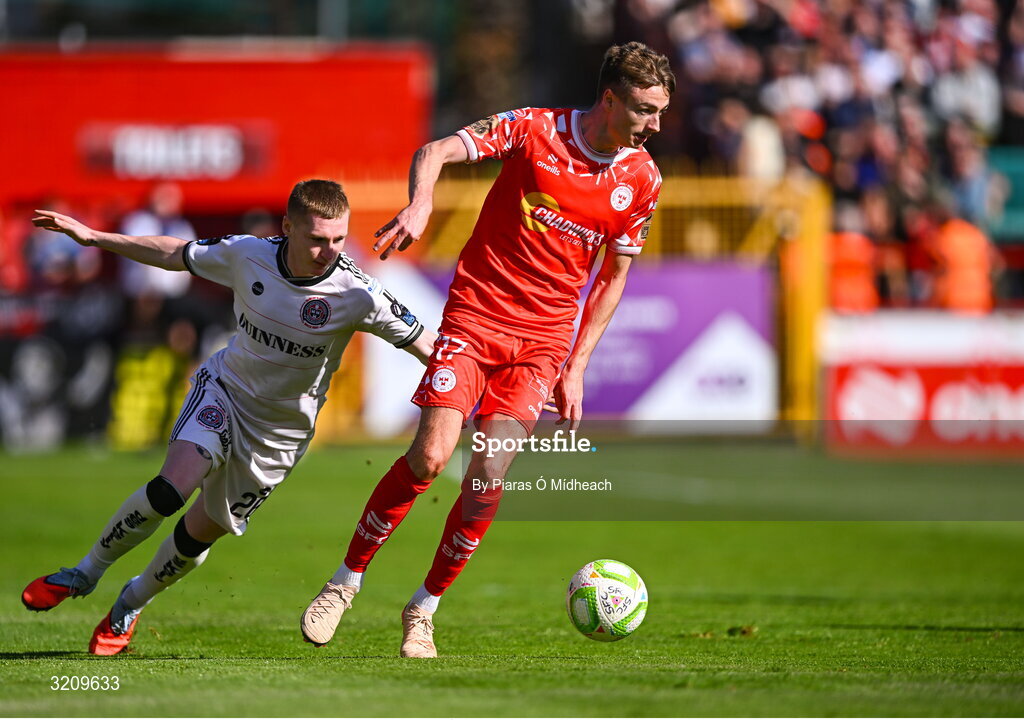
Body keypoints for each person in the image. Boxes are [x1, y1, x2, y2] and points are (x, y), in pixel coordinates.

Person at [300, 42, 674, 658]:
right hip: (477, 316)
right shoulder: (533, 129)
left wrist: (576, 366)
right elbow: (437, 149)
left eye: (660, 111)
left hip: (544, 341)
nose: (655, 125)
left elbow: (613, 277)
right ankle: (345, 582)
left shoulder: (642, 178)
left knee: (487, 477)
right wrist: (420, 202)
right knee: (429, 456)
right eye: (644, 110)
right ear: (610, 99)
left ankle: (423, 609)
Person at [22, 180, 435, 655]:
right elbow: (175, 252)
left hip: (279, 437)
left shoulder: (359, 293)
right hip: (226, 392)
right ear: (287, 228)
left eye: (338, 239)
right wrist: (95, 237)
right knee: (168, 489)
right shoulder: (247, 255)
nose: (329, 251)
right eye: (318, 239)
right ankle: (84, 572)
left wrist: (493, 387)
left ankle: (129, 604)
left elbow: (433, 349)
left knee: (198, 535)